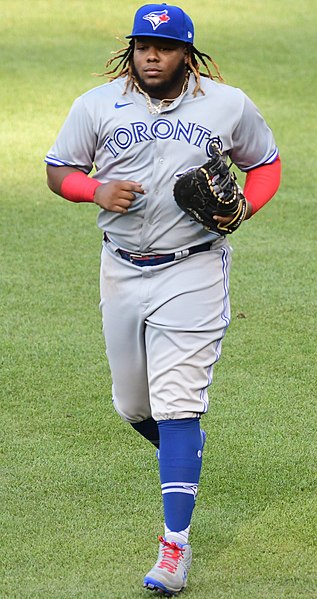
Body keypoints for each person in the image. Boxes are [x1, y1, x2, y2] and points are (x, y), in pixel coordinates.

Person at [45, 3, 281, 595]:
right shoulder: (96, 105)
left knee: (177, 402)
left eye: (165, 47)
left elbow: (266, 164)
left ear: (186, 52)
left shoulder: (228, 105)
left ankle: (174, 546)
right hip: (120, 269)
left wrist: (246, 208)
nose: (151, 56)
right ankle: (184, 450)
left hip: (193, 270)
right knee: (133, 406)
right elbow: (58, 169)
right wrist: (93, 189)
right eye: (142, 46)